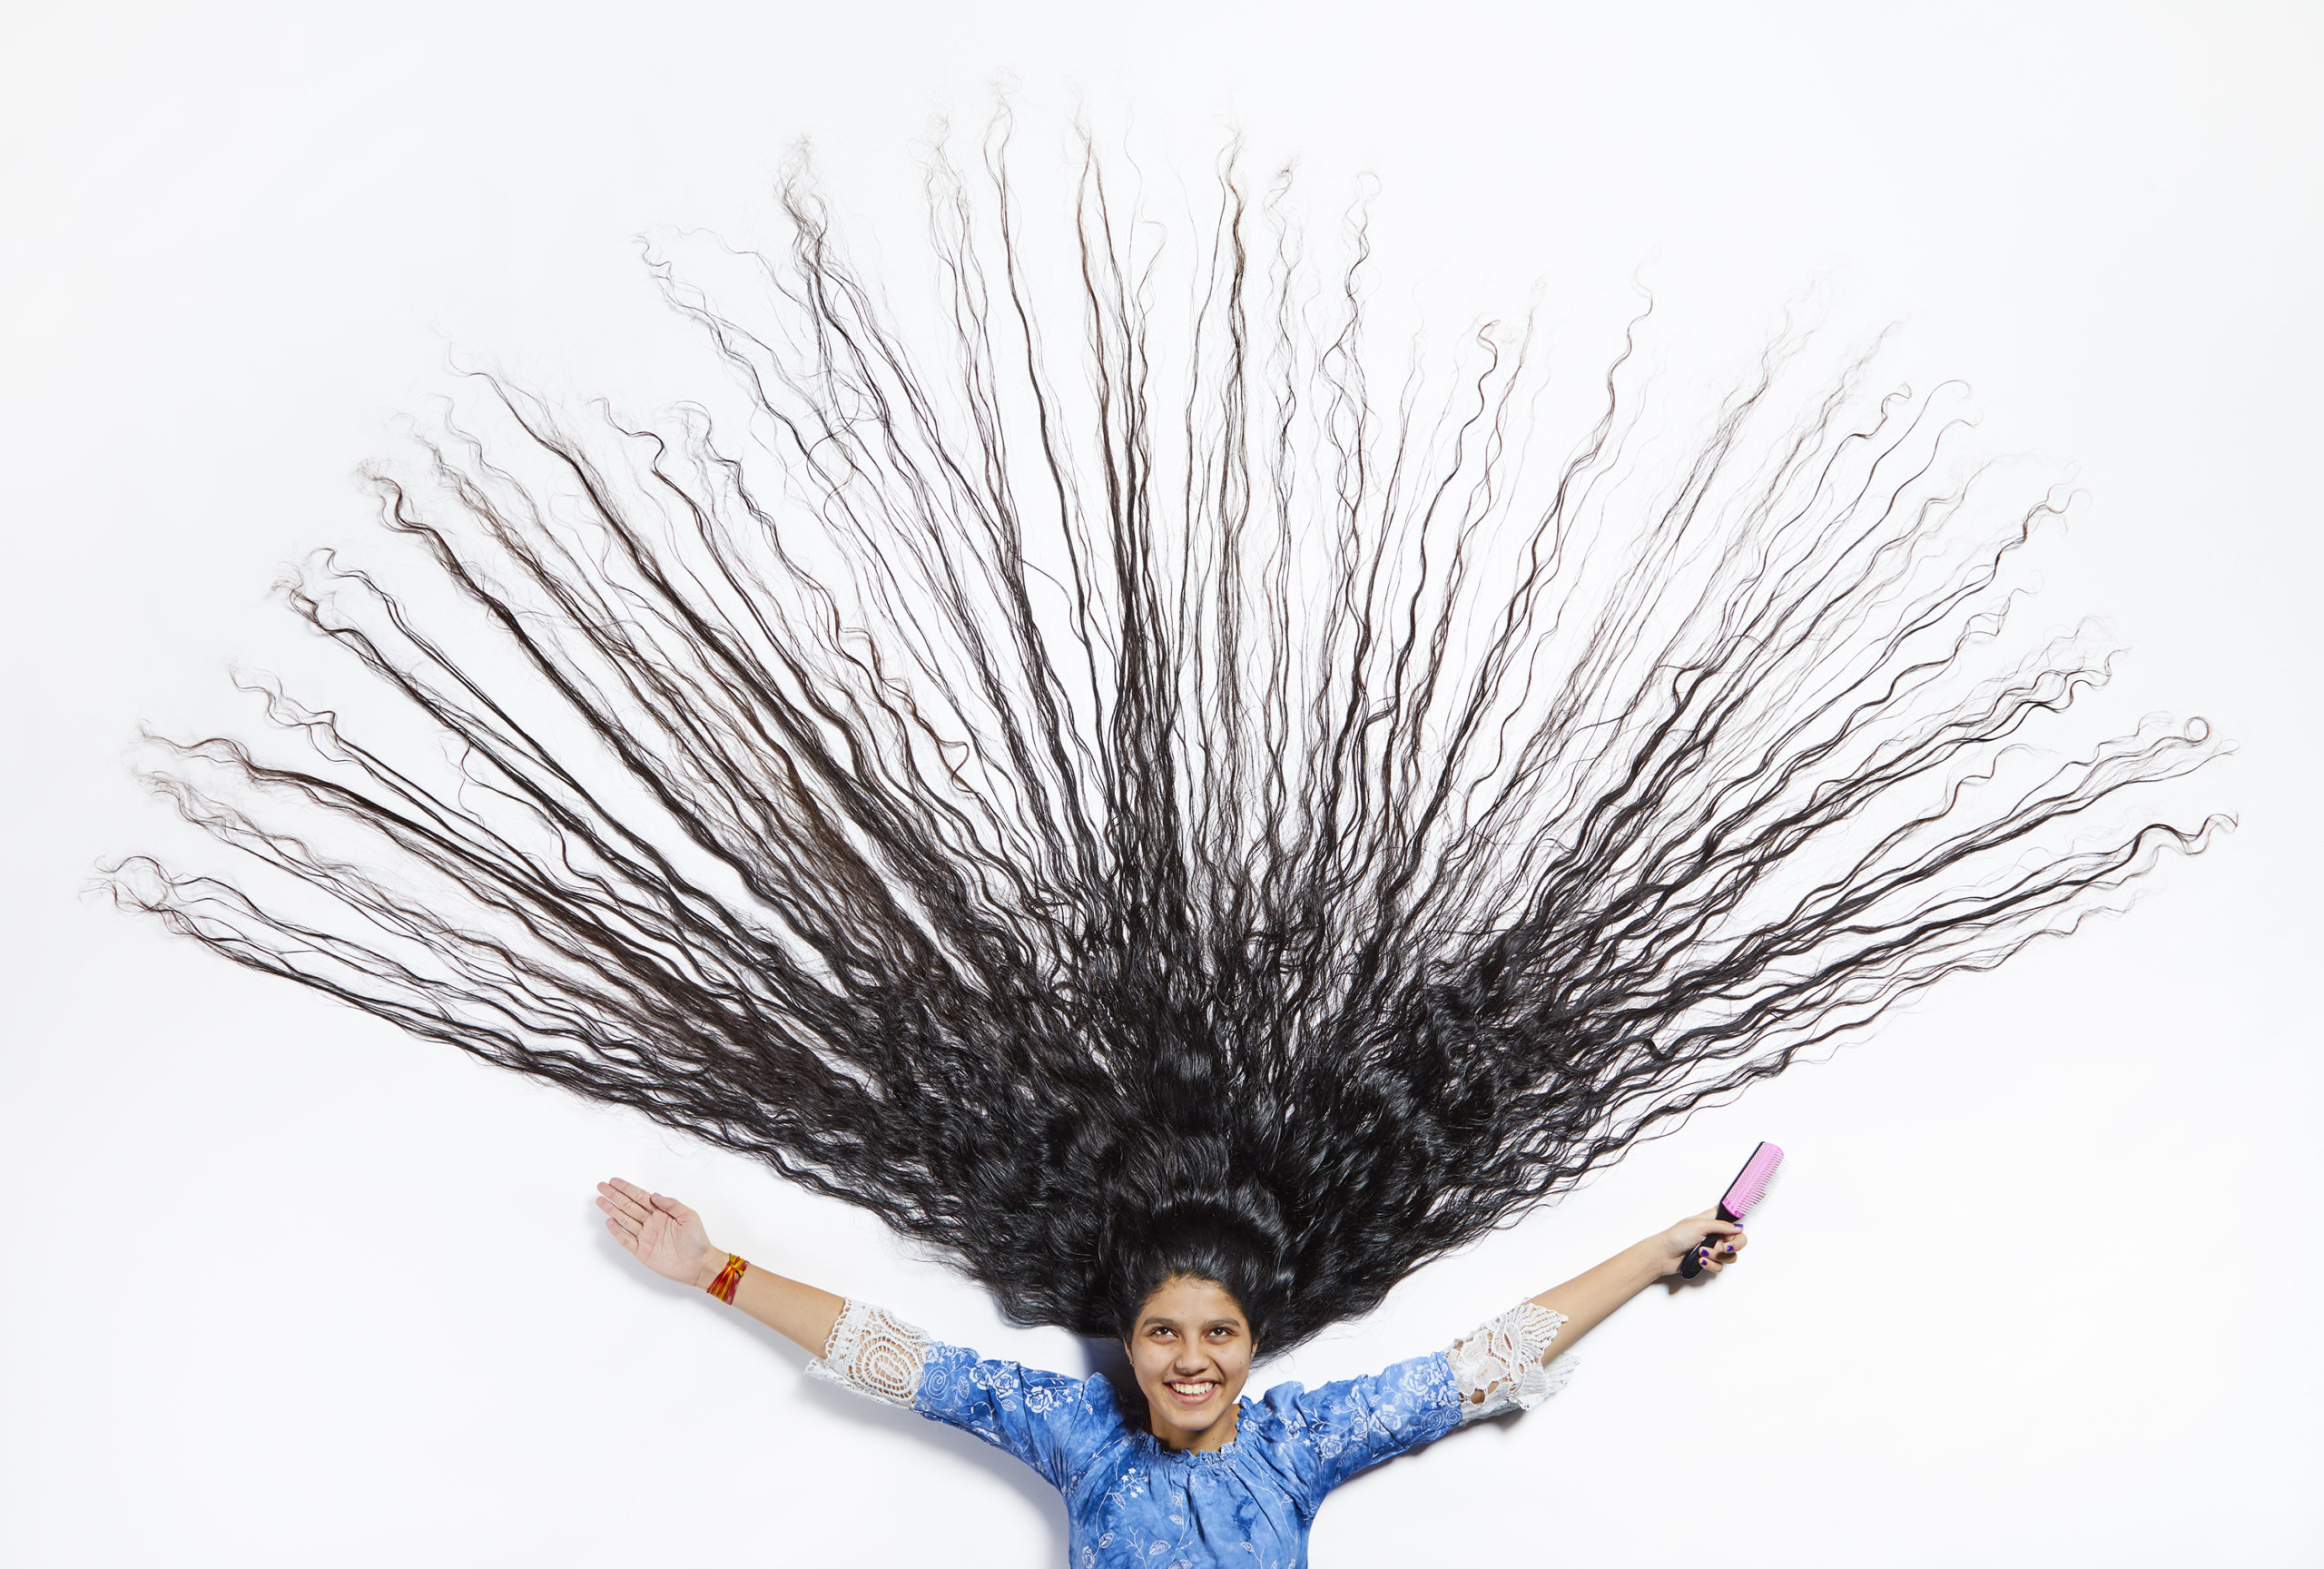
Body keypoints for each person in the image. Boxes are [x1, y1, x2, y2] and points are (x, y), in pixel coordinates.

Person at [593, 1175, 1743, 1567]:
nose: (1191, 1361)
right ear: (1130, 1343)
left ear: (1251, 1347)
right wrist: (712, 1271)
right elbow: (899, 1359)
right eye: (1163, 1334)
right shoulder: (1073, 1431)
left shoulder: (1303, 1443)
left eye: (1218, 1336)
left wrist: (1652, 1254)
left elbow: (1479, 1361)